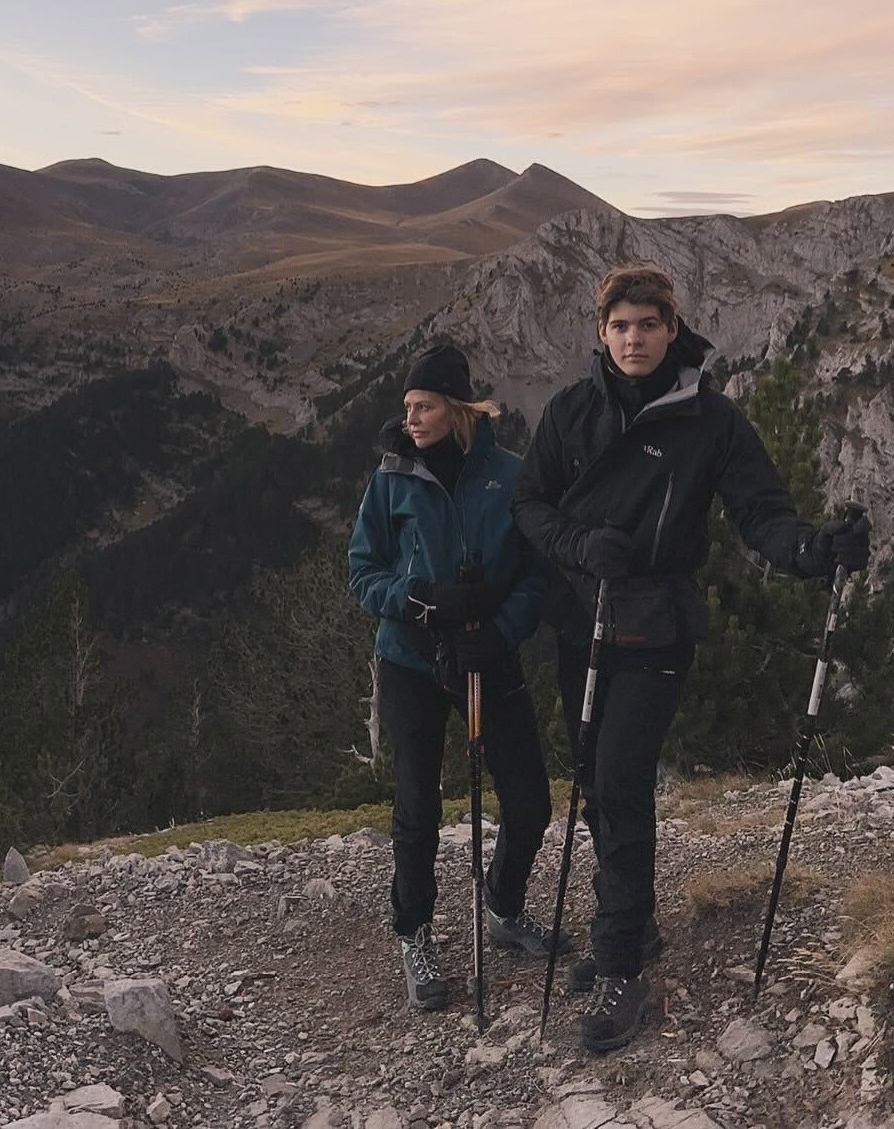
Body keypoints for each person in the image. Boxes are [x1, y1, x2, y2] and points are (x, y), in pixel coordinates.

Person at [513, 265, 871, 1053]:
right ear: (601, 333)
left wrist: (815, 551)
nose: (634, 338)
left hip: (658, 628)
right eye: (620, 326)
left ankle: (619, 970)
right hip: (583, 621)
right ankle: (632, 931)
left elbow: (761, 513)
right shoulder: (571, 411)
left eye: (648, 324)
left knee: (618, 779)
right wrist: (577, 543)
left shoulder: (711, 421)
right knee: (596, 786)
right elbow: (529, 502)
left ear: (673, 329)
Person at [348, 342, 568, 1012]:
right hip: (411, 658)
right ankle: (414, 932)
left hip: (488, 654)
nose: (411, 417)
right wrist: (422, 599)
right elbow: (363, 571)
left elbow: (537, 575)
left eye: (425, 405)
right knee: (417, 807)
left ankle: (502, 906)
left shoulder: (509, 474)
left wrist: (498, 633)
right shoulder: (391, 479)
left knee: (528, 798)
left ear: (458, 408)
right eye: (407, 406)